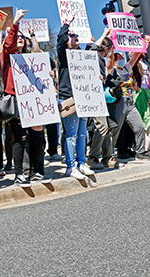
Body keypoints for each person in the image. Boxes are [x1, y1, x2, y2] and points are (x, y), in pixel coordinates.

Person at [1, 9, 51, 187]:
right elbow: (8, 45)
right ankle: (19, 174)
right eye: (17, 37)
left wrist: (48, 74)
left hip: (33, 101)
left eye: (23, 37)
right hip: (16, 100)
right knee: (20, 138)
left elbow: (41, 62)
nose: (19, 38)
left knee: (37, 136)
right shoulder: (8, 57)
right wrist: (16, 23)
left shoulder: (31, 58)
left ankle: (34, 171)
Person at [57, 16, 95, 180]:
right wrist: (66, 25)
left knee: (82, 133)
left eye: (77, 36)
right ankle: (70, 166)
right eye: (73, 36)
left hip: (83, 97)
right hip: (69, 98)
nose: (76, 38)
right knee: (71, 134)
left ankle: (82, 163)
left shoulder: (81, 55)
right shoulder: (63, 54)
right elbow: (60, 42)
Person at [87, 29, 119, 170]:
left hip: (100, 97)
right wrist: (104, 35)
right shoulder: (91, 56)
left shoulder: (100, 59)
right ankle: (93, 157)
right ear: (105, 49)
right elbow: (93, 49)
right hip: (92, 97)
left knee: (108, 128)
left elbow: (110, 63)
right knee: (101, 128)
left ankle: (107, 157)